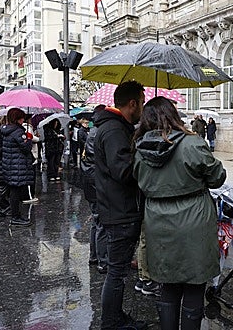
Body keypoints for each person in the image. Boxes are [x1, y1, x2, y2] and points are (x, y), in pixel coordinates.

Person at [133, 96, 226, 330]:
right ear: (173, 115)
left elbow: (137, 180)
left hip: (157, 218)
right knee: (194, 283)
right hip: (194, 218)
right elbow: (217, 177)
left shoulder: (139, 147)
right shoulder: (192, 144)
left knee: (167, 282)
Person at [94, 81, 147, 330]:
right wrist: (143, 157)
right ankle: (111, 322)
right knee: (117, 273)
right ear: (132, 103)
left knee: (118, 271)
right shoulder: (114, 130)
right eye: (142, 102)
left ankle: (115, 316)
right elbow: (123, 171)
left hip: (117, 208)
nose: (143, 107)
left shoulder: (116, 127)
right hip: (121, 211)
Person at [80, 105, 108, 275]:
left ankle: (94, 256)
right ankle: (103, 261)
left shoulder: (93, 130)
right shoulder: (100, 133)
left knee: (95, 221)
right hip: (96, 181)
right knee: (101, 223)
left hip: (89, 181)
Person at [1, 108, 35, 227]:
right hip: (18, 166)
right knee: (16, 191)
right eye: (21, 118)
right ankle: (15, 217)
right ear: (17, 119)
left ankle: (16, 215)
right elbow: (26, 148)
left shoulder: (7, 130)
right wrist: (29, 138)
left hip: (11, 165)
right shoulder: (17, 132)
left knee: (14, 190)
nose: (23, 120)